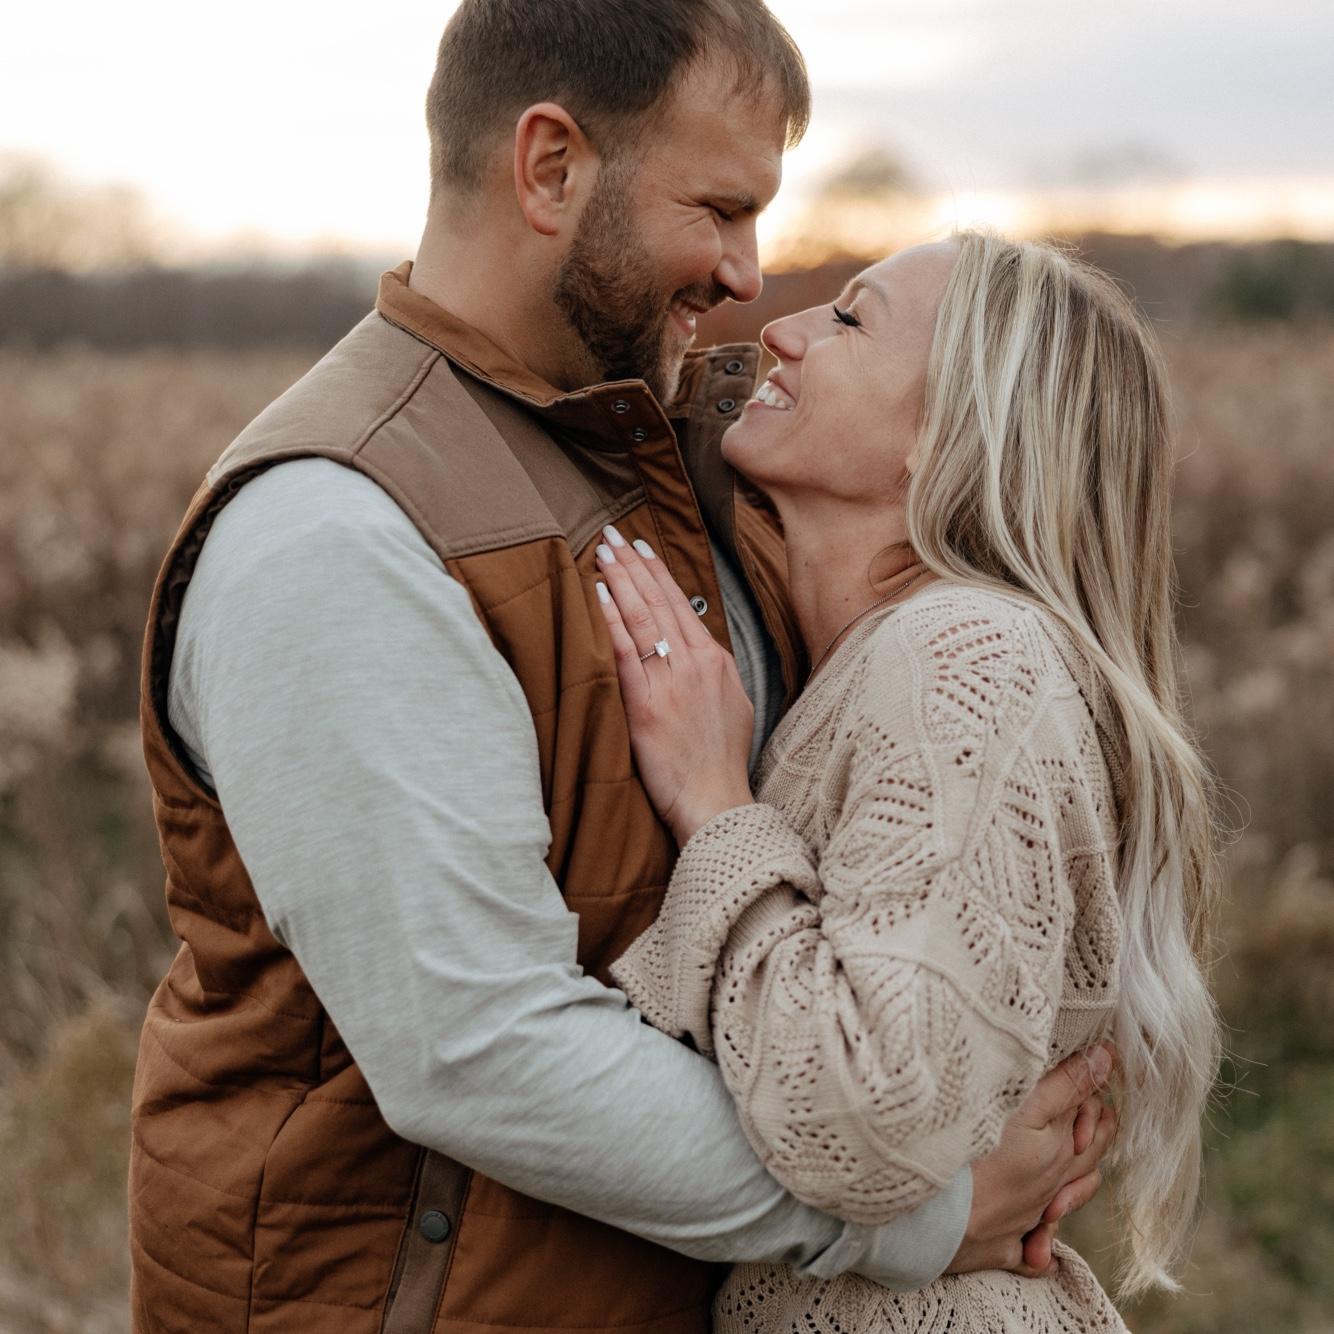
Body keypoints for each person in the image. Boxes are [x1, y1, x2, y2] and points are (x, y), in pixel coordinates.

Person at [128, 5, 1115, 1331]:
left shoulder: (688, 468)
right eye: (717, 208)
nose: (747, 277)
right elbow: (479, 1049)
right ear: (549, 168)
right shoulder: (335, 528)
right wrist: (917, 1214)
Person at [597, 232, 1222, 1332]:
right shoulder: (883, 661)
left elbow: (870, 1116)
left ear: (949, 435)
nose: (781, 330)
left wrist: (714, 804)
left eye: (849, 319)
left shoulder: (964, 661)